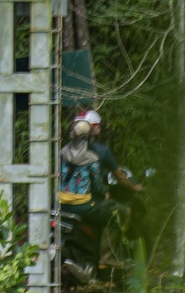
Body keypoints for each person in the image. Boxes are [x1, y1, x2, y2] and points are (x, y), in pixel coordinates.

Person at [58, 109, 144, 281]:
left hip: (61, 203)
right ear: (89, 137)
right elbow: (97, 183)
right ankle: (107, 258)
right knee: (117, 213)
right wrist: (105, 193)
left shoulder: (62, 152)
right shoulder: (91, 157)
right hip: (82, 204)